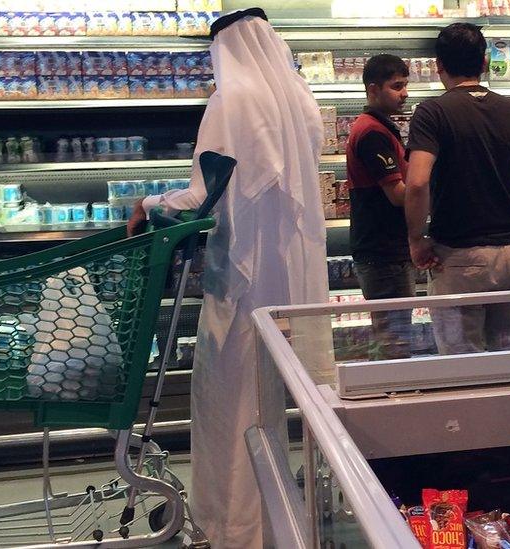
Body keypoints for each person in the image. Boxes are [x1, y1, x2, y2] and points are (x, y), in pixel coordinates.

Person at [127, 8, 328, 548]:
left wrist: (147, 204)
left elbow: (201, 195)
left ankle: (238, 531)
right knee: (287, 405)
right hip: (296, 277)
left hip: (242, 279)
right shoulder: (302, 101)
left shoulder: (230, 102)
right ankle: (288, 521)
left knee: (234, 405)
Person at [404, 23, 510, 354]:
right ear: (484, 63)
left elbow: (418, 181)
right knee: (509, 355)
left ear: (439, 66)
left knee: (463, 366)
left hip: (460, 257)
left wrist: (415, 239)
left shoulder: (432, 112)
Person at [346, 54, 415, 359]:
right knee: (394, 340)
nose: (405, 93)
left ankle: (394, 393)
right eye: (396, 86)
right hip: (383, 252)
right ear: (373, 89)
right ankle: (394, 397)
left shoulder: (379, 127)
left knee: (393, 336)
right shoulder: (372, 132)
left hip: (384, 249)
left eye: (405, 85)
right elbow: (398, 194)